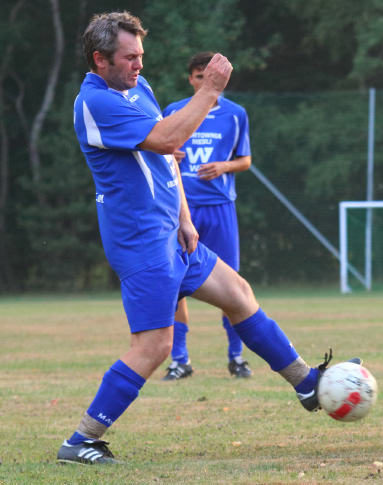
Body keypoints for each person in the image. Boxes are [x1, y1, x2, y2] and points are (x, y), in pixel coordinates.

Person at [58, 11, 352, 465]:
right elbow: (165, 138)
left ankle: (306, 382)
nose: (139, 64)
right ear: (100, 59)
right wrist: (210, 89)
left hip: (170, 233)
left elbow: (167, 158)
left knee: (238, 293)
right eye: (128, 57)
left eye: (141, 55)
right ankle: (81, 440)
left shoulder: (138, 89)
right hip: (140, 240)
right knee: (154, 346)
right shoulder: (95, 101)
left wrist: (185, 218)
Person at [160, 52, 253, 381]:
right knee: (173, 285)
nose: (203, 82)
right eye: (197, 76)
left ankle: (237, 356)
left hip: (220, 208)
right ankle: (180, 359)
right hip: (181, 209)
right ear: (191, 80)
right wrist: (168, 152)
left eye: (207, 76)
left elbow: (245, 159)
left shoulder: (235, 114)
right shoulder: (174, 111)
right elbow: (158, 150)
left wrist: (224, 166)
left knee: (232, 285)